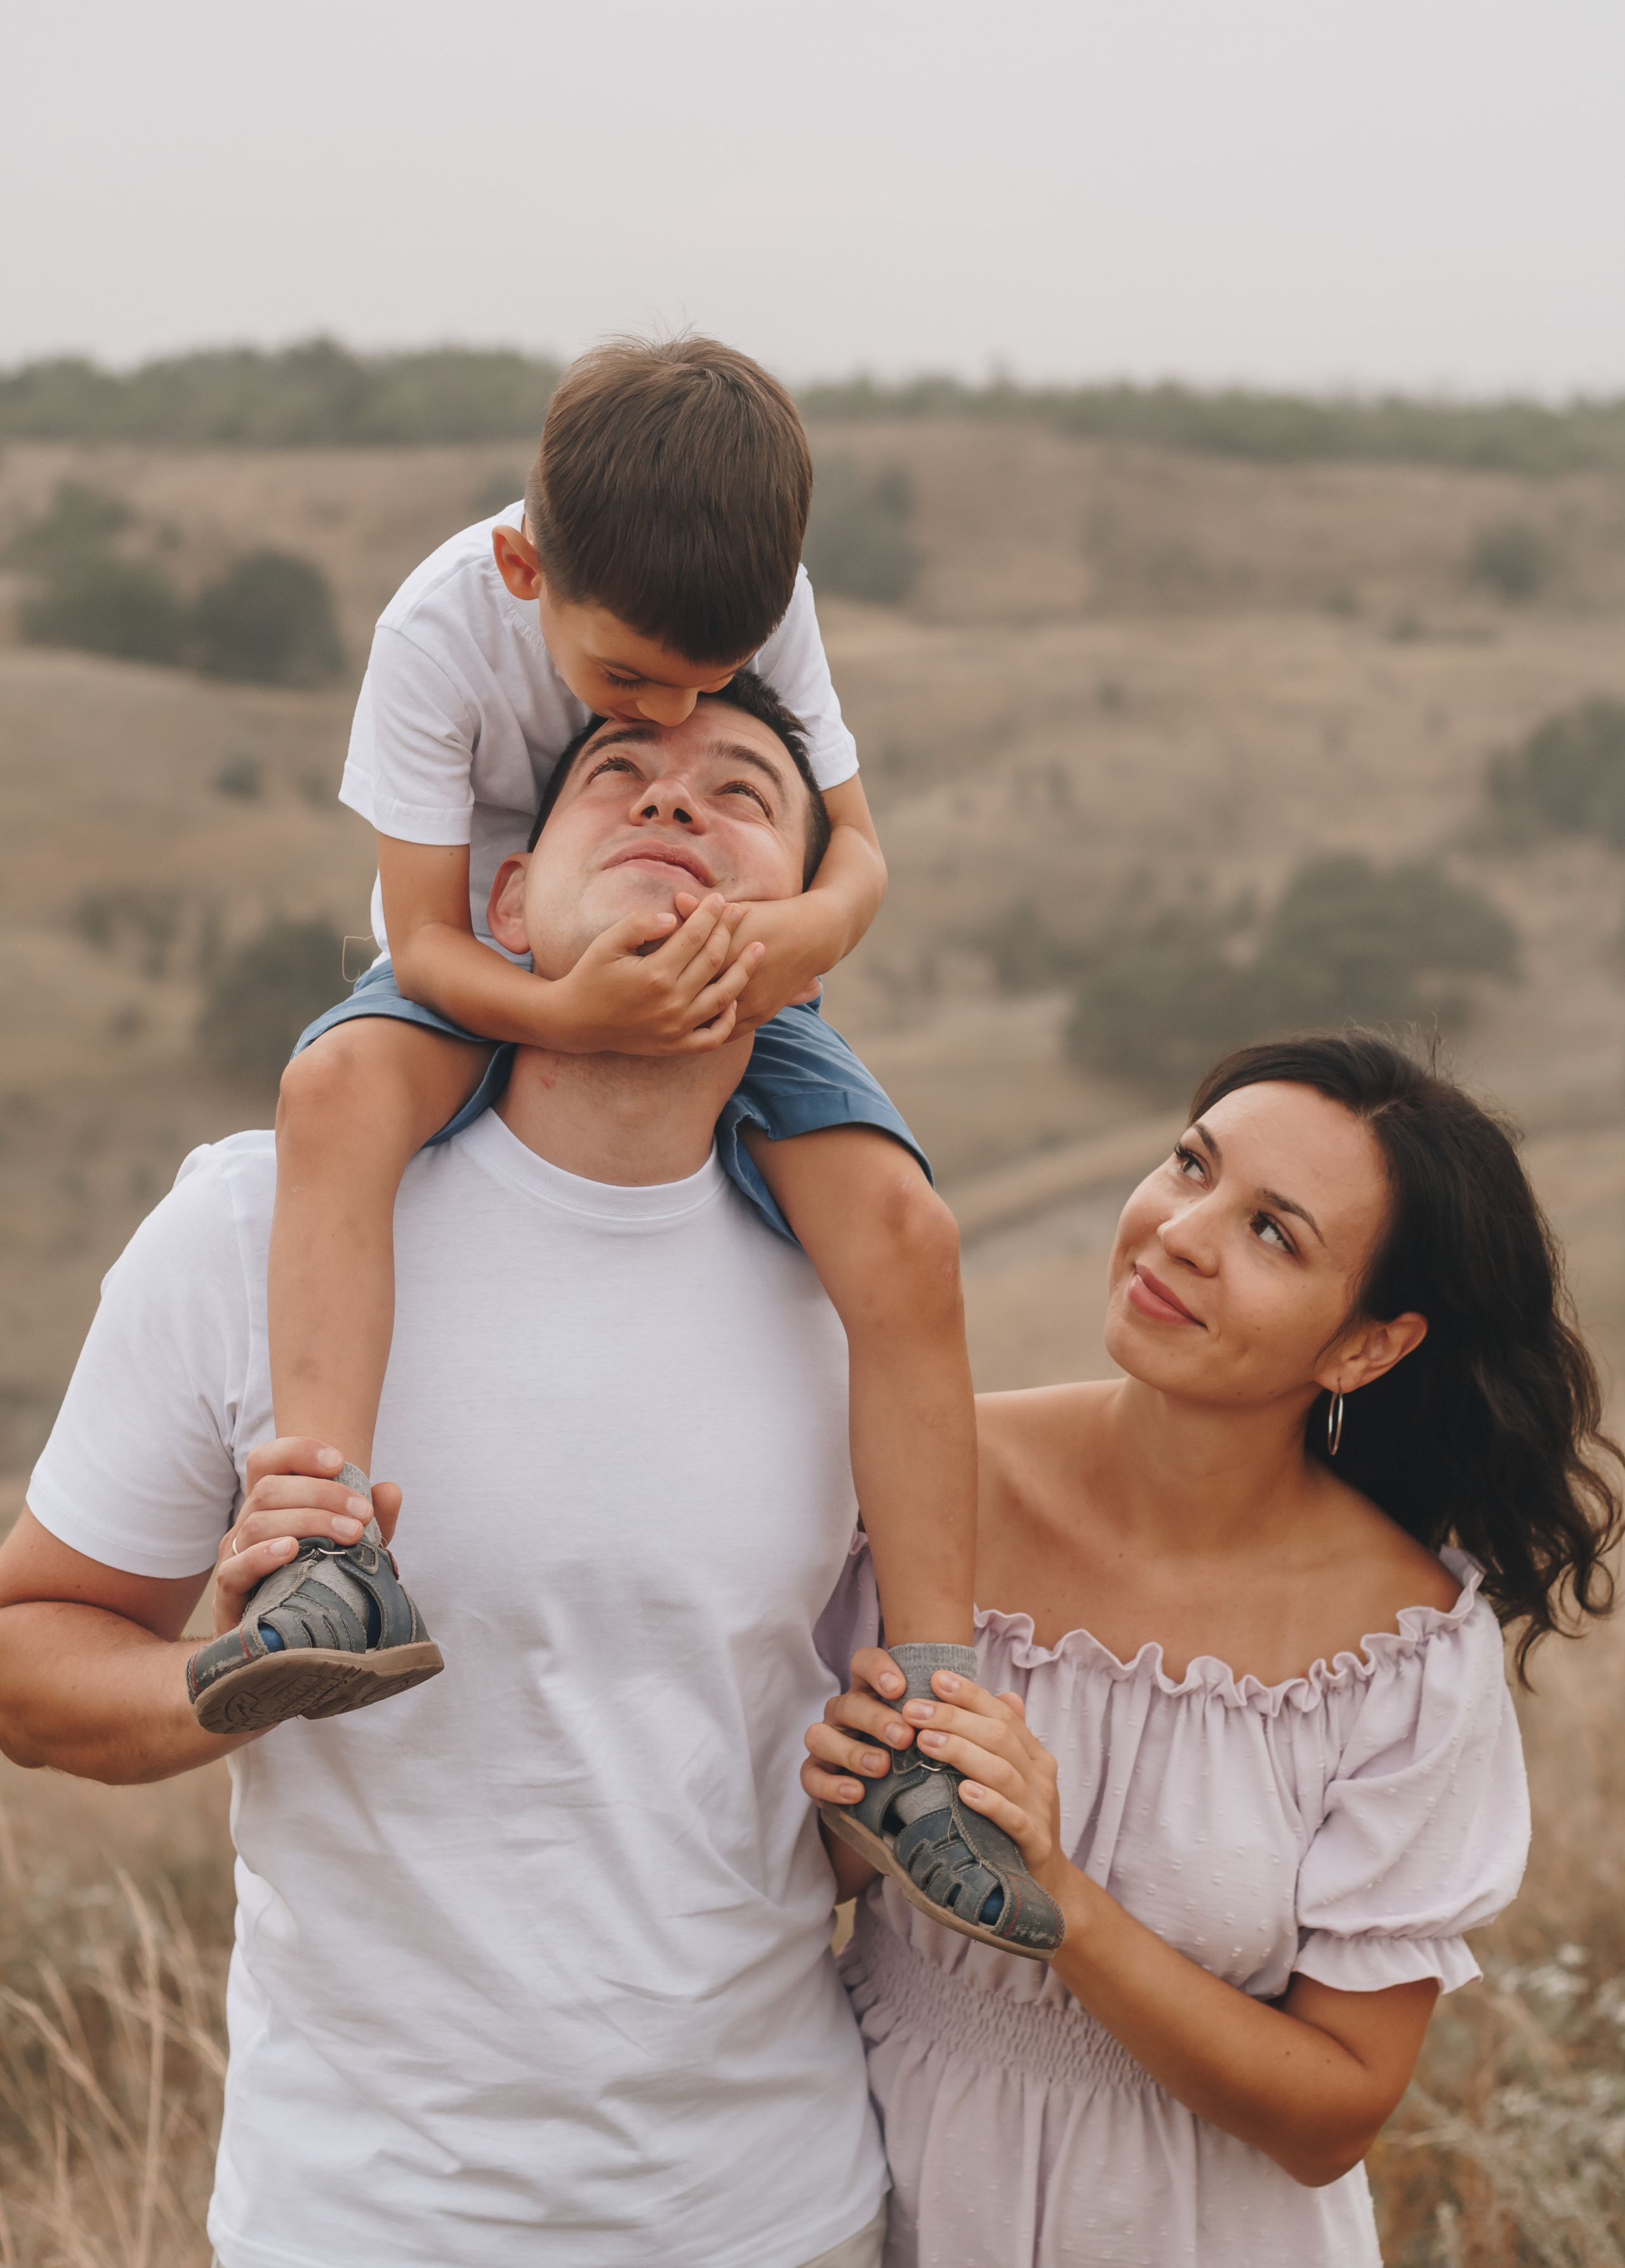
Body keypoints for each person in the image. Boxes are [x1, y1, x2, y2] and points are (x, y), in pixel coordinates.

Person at [0, 681, 902, 2268]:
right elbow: (26, 1661)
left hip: (774, 2212)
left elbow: (818, 1754)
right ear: (502, 898)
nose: (675, 806)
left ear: (809, 936)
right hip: (365, 2219)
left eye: (745, 789)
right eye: (617, 773)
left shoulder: (860, 1296)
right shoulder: (255, 1229)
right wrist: (224, 1672)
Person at [224, 332, 1024, 1944]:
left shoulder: (753, 601)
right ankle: (325, 1550)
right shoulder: (440, 629)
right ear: (527, 570)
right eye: (632, 687)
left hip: (733, 965)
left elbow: (856, 856)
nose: (679, 709)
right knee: (334, 1094)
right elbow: (429, 940)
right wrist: (569, 1011)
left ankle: (925, 1724)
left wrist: (795, 948)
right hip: (511, 959)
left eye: (715, 687)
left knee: (904, 1234)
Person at [805, 1031, 1622, 2267]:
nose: (1183, 1232)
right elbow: (745, 1878)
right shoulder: (915, 1478)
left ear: (1363, 1347)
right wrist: (848, 1824)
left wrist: (1057, 1903)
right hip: (856, 2191)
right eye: (1191, 1167)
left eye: (1271, 1233)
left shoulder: (1400, 1654)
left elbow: (1332, 2114)